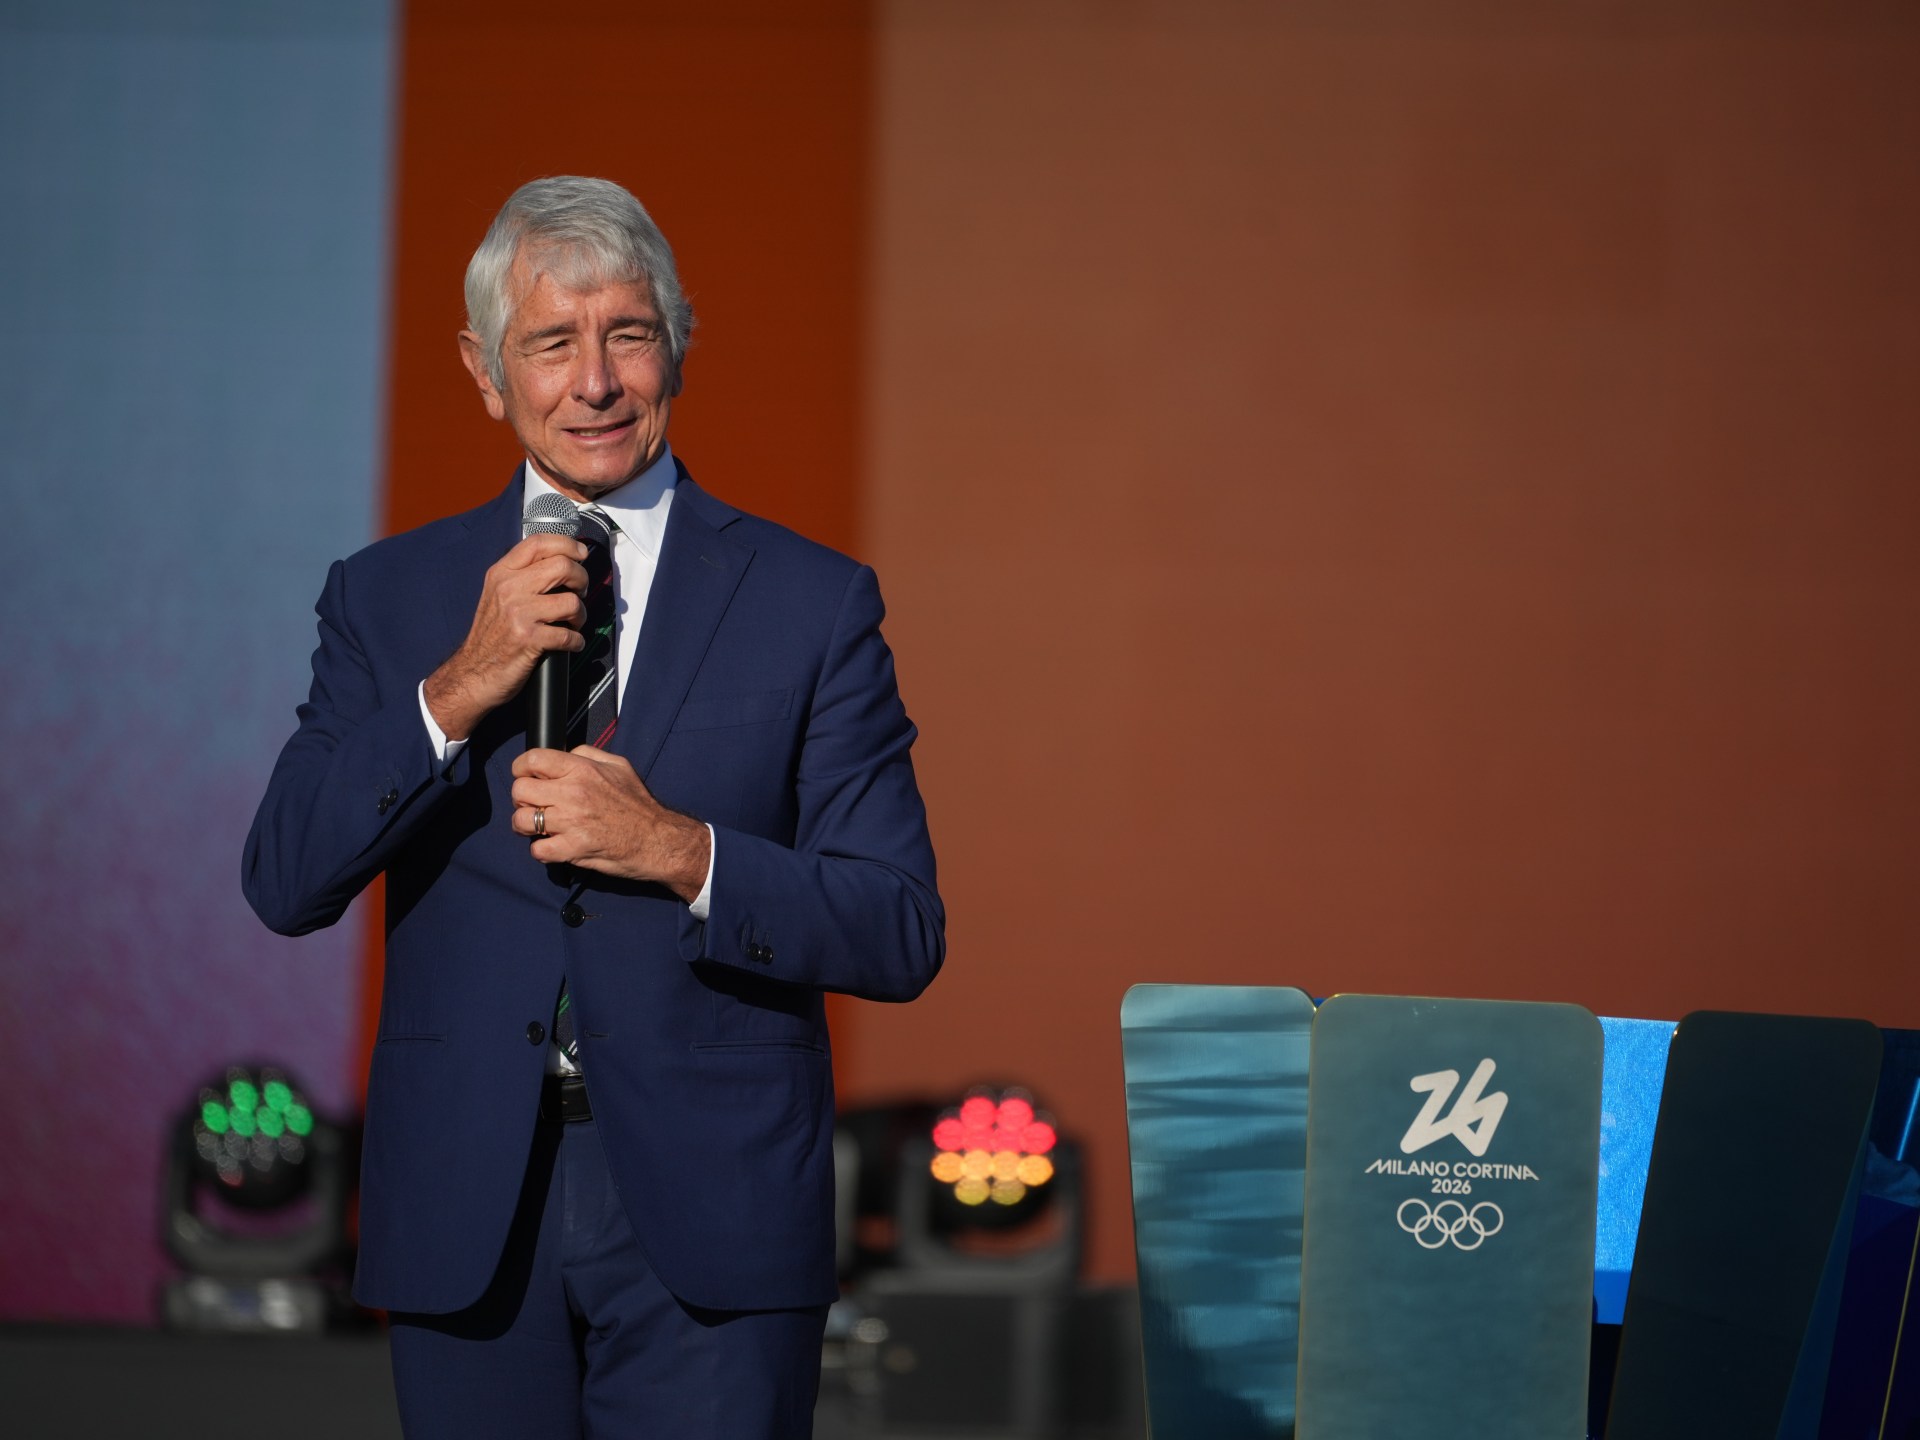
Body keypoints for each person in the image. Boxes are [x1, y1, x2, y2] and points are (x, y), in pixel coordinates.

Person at [244, 175, 944, 1438]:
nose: (597, 383)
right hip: (467, 1212)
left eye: (628, 333)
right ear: (484, 371)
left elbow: (898, 926)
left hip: (715, 1218)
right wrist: (459, 686)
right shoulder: (386, 596)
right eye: (551, 343)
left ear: (678, 342)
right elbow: (285, 879)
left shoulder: (812, 601)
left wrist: (681, 852)